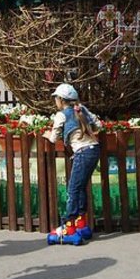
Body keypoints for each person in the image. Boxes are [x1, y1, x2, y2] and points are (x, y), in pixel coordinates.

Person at [42, 83, 101, 238]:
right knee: (80, 187)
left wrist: (47, 135)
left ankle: (69, 225)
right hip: (94, 150)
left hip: (82, 153)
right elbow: (98, 124)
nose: (55, 101)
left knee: (73, 189)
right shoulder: (82, 109)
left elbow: (54, 138)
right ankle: (81, 222)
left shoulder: (61, 115)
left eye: (56, 98)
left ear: (61, 99)